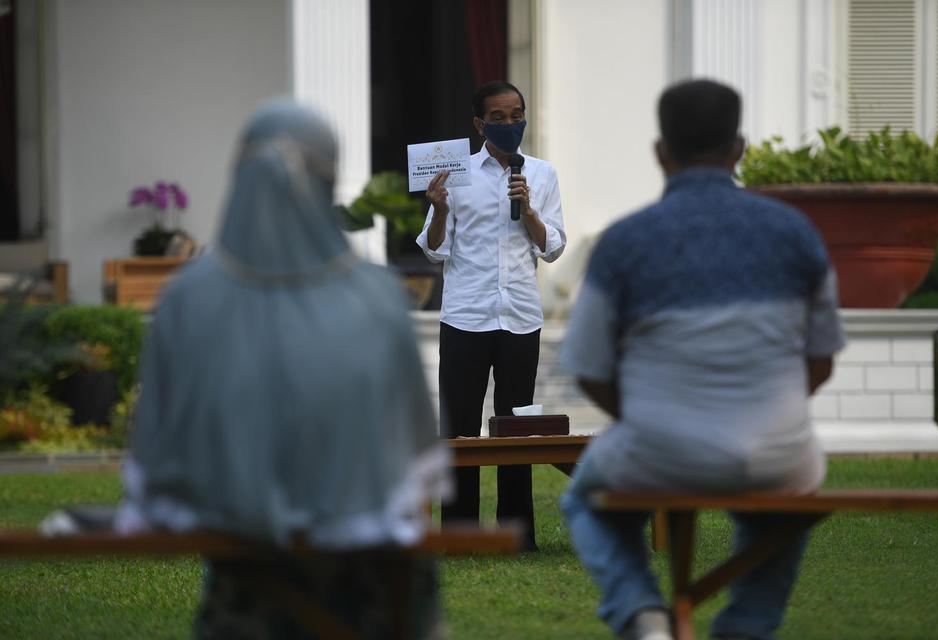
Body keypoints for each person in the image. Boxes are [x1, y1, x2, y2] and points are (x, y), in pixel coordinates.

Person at [116, 100, 450, 639]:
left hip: (242, 573)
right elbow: (410, 452)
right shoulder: (375, 300)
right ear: (330, 181)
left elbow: (157, 446)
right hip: (368, 579)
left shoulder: (188, 301)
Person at [559, 79, 845, 640]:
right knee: (792, 493)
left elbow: (589, 369)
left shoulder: (624, 242)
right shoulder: (796, 234)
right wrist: (760, 408)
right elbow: (821, 360)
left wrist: (648, 413)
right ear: (739, 148)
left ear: (660, 151)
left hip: (658, 447)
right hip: (777, 451)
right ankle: (748, 623)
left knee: (585, 500)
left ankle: (641, 611)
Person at [416, 80, 566, 552]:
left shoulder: (541, 174)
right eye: (498, 117)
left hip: (520, 314)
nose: (509, 124)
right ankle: (460, 534)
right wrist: (438, 210)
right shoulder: (454, 173)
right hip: (466, 315)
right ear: (480, 124)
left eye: (516, 114)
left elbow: (554, 246)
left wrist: (532, 212)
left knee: (516, 425)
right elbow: (436, 249)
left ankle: (516, 532)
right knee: (459, 427)